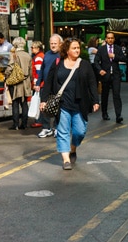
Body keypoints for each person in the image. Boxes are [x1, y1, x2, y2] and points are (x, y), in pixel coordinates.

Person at [40, 37, 100, 170]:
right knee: (63, 131)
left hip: (80, 104)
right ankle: (66, 160)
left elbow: (92, 83)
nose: (77, 50)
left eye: (78, 48)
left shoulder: (84, 64)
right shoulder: (57, 64)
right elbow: (49, 82)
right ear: (67, 50)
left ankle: (73, 148)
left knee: (80, 131)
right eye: (74, 48)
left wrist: (95, 100)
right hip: (63, 104)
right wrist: (43, 100)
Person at [34, 33, 63, 137]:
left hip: (58, 87)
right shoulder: (47, 54)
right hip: (46, 86)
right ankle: (46, 128)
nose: (53, 45)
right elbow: (41, 70)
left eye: (55, 43)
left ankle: (56, 127)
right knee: (44, 107)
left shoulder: (63, 56)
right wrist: (38, 83)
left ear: (60, 44)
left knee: (57, 108)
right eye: (51, 43)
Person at [94, 31, 126, 123]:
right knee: (105, 95)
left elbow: (124, 58)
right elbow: (96, 61)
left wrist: (115, 56)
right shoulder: (101, 49)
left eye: (112, 38)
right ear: (106, 39)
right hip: (105, 75)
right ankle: (104, 113)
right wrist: (100, 70)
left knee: (116, 94)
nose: (110, 40)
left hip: (115, 75)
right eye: (108, 38)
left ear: (114, 39)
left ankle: (118, 115)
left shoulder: (118, 49)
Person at [5, 37, 32, 130]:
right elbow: (30, 70)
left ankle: (15, 124)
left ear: (15, 45)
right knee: (24, 103)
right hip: (25, 82)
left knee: (15, 103)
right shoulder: (28, 55)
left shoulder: (14, 55)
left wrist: (6, 76)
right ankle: (24, 124)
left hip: (16, 82)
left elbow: (10, 67)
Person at [30, 41, 45, 128]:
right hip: (41, 83)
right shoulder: (41, 56)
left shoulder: (38, 58)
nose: (31, 49)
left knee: (38, 102)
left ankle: (39, 120)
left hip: (39, 84)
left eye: (33, 47)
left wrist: (36, 83)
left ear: (38, 48)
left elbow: (39, 72)